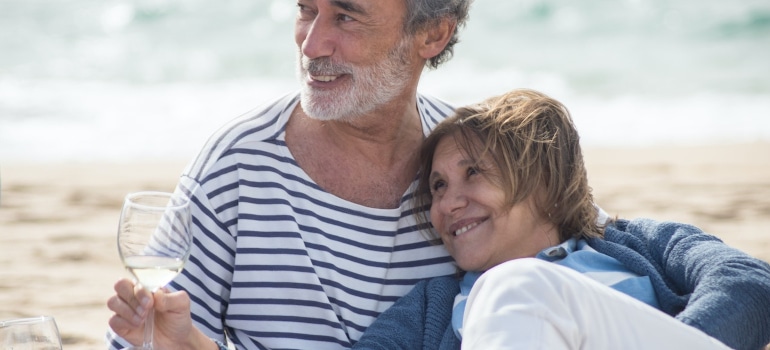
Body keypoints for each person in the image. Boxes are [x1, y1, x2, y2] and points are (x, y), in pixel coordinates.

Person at [106, 0, 473, 349]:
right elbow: (143, 339)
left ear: (432, 34)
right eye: (305, 10)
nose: (311, 45)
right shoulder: (238, 166)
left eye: (345, 16)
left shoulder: (477, 164)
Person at [351, 89, 770, 350]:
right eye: (438, 186)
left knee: (517, 284)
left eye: (473, 172)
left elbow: (750, 282)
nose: (448, 203)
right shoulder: (436, 306)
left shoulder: (638, 244)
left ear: (544, 181)